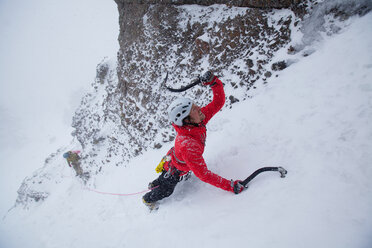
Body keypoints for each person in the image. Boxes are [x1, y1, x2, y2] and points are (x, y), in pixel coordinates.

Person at [142, 71, 245, 210]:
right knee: (167, 190)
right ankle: (147, 199)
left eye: (195, 105)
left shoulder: (198, 120)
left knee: (164, 179)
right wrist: (230, 186)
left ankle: (154, 184)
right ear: (186, 120)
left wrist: (214, 82)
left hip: (173, 160)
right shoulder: (188, 146)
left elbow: (218, 102)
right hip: (176, 169)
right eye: (194, 109)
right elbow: (204, 175)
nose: (199, 108)